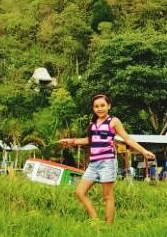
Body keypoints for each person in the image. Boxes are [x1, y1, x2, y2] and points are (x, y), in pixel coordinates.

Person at [59, 92, 155, 225]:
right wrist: (71, 141)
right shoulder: (93, 123)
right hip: (93, 164)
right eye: (96, 106)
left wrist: (144, 151)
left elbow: (126, 139)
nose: (100, 108)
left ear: (109, 106)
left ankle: (108, 228)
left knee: (107, 197)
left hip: (107, 162)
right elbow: (89, 140)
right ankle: (95, 220)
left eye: (102, 105)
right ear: (93, 108)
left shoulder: (113, 121)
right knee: (79, 192)